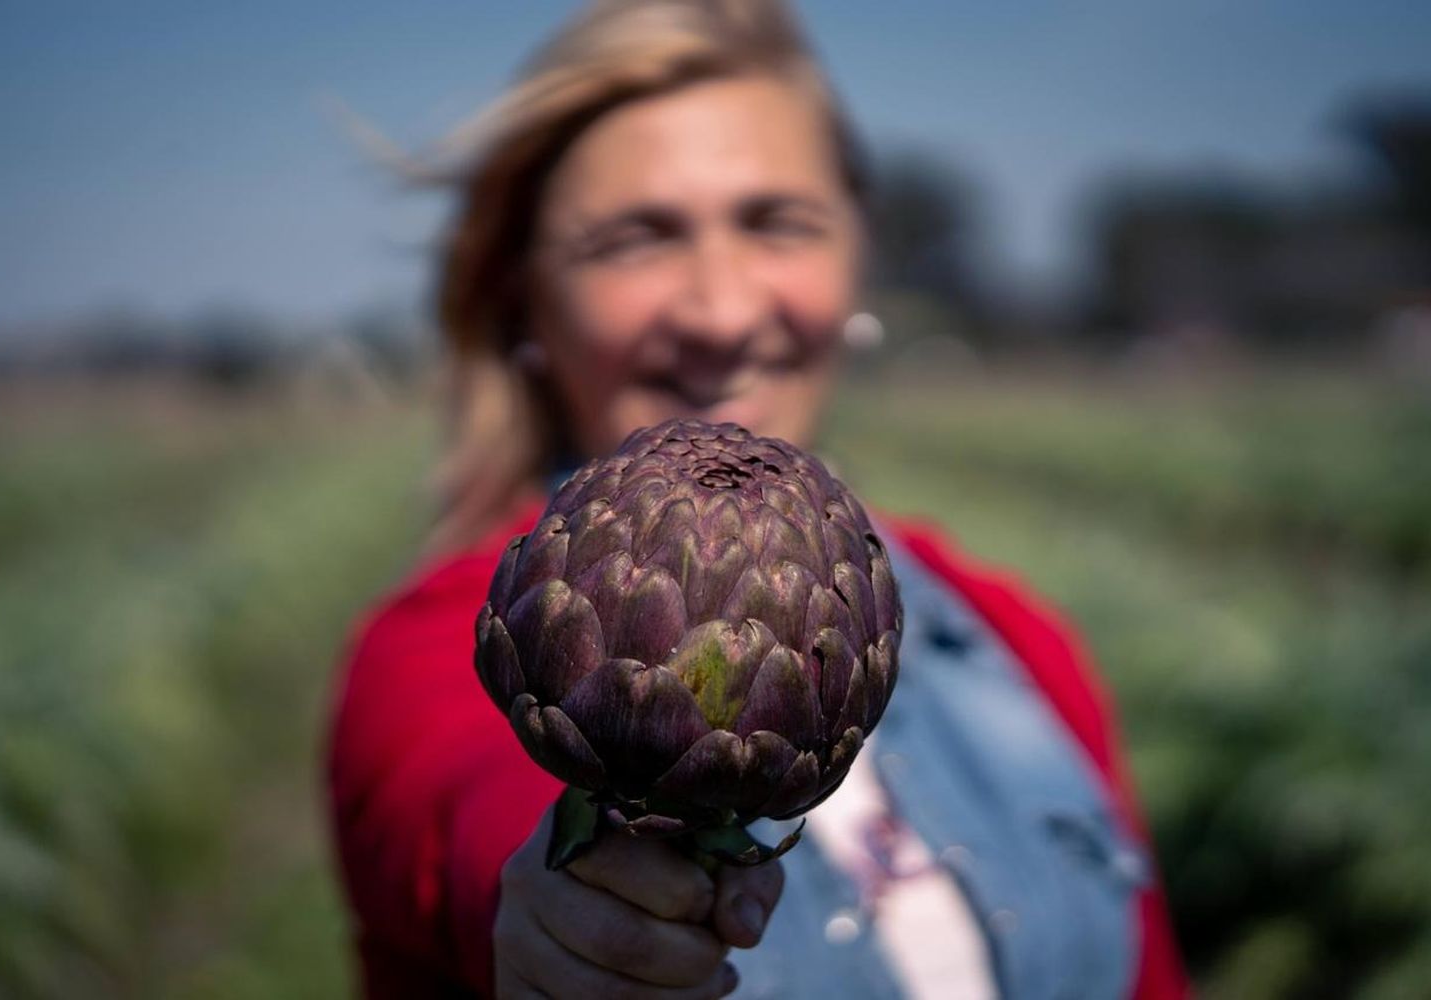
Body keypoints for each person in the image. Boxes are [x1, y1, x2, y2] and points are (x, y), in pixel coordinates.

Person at [325, 1, 1189, 997]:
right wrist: (573, 925)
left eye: (778, 222)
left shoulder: (1012, 635)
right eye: (635, 238)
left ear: (855, 257)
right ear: (524, 298)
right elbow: (475, 821)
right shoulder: (426, 655)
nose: (723, 310)